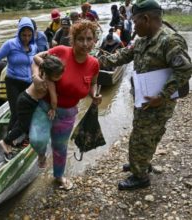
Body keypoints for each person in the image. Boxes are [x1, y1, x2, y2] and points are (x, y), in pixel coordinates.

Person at [98, 0, 192, 190]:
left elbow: (184, 69)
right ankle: (141, 162)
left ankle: (140, 176)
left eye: (134, 21)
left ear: (146, 18)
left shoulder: (169, 40)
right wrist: (100, 61)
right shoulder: (142, 39)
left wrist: (163, 96)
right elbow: (124, 55)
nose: (132, 25)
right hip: (144, 98)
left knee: (141, 136)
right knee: (146, 134)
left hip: (158, 103)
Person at [30, 21, 102, 190]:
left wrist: (94, 94)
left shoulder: (94, 64)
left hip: (68, 113)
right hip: (45, 106)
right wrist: (36, 76)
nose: (85, 44)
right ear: (73, 40)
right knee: (37, 139)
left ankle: (59, 176)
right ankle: (41, 153)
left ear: (94, 41)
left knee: (60, 147)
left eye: (89, 39)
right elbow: (35, 59)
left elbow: (93, 83)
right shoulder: (60, 51)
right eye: (80, 39)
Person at [0, 55, 64, 161]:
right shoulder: (49, 82)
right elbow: (54, 100)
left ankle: (13, 140)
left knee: (21, 121)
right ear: (51, 74)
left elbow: (36, 58)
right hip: (28, 102)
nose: (61, 76)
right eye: (58, 75)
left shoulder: (41, 71)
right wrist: (53, 109)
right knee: (23, 126)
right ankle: (5, 142)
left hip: (25, 97)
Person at [0, 17, 37, 132]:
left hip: (28, 83)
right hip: (13, 82)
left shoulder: (33, 46)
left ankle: (24, 133)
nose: (26, 38)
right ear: (19, 33)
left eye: (29, 35)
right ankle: (9, 137)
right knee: (15, 111)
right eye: (24, 35)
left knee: (27, 110)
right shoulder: (10, 44)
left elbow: (35, 63)